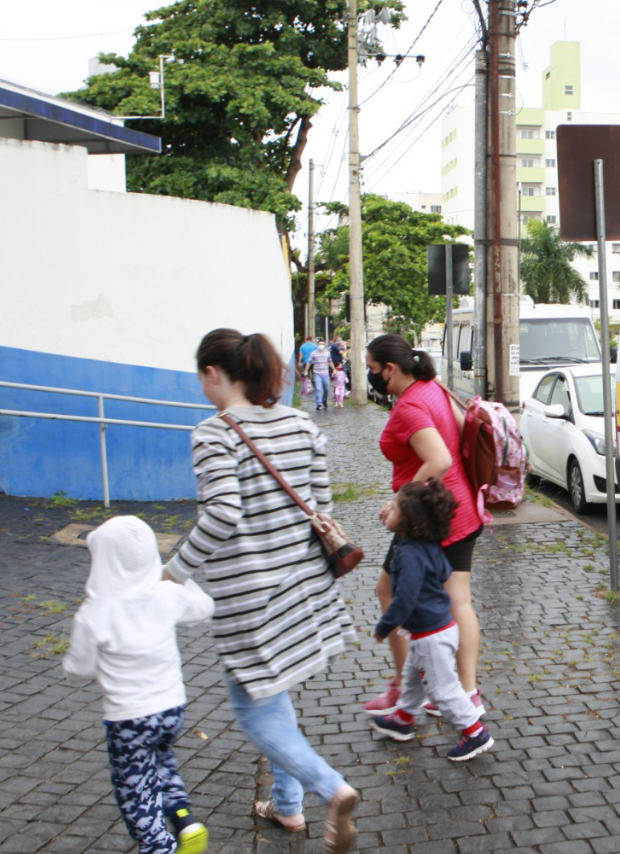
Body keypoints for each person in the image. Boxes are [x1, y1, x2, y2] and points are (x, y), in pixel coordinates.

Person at [165, 329, 359, 854]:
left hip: (251, 595)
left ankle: (330, 788)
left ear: (213, 373)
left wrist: (174, 571)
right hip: (303, 588)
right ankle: (288, 806)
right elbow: (323, 505)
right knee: (274, 694)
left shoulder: (214, 433)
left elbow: (223, 512)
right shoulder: (300, 422)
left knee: (254, 708)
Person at [64, 516, 215, 854]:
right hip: (172, 712)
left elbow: (78, 669)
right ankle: (184, 819)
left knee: (135, 792)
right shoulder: (164, 594)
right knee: (162, 761)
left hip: (129, 721)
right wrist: (174, 578)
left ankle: (159, 846)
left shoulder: (96, 611)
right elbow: (205, 607)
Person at [362, 334, 485, 719]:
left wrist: (399, 501)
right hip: (459, 508)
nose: (369, 376)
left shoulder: (410, 407)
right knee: (455, 600)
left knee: (393, 589)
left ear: (389, 369)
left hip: (428, 518)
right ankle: (463, 691)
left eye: (370, 369)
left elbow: (439, 459)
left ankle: (408, 690)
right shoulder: (432, 387)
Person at [368, 480, 496, 761]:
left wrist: (385, 626)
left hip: (430, 635)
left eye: (394, 507)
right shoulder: (425, 544)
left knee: (443, 690)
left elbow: (405, 599)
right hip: (439, 628)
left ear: (408, 520)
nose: (387, 510)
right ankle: (402, 719)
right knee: (413, 679)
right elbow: (442, 572)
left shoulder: (409, 554)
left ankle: (475, 733)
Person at [308, 336, 333, 411]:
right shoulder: (314, 353)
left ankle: (324, 400)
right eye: (320, 344)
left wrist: (334, 369)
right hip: (317, 373)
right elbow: (309, 362)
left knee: (326, 389)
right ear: (317, 345)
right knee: (318, 389)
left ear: (324, 345)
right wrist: (306, 370)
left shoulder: (327, 353)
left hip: (325, 374)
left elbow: (330, 361)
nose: (321, 345)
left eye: (322, 344)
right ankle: (319, 403)